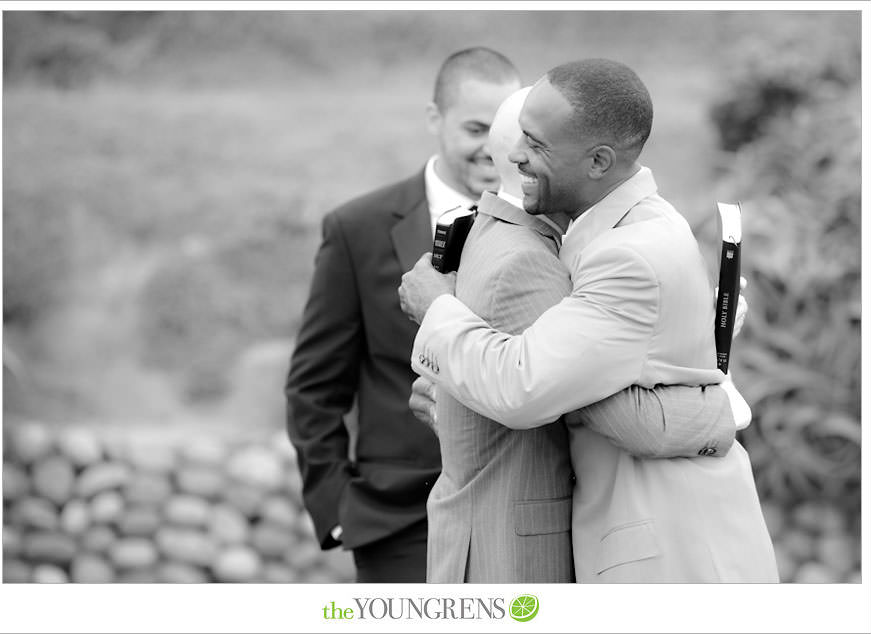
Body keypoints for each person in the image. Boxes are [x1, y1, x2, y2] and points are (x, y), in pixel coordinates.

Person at [399, 59, 779, 582]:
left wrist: (436, 310)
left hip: (670, 553)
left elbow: (525, 384)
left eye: (535, 144)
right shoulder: (631, 222)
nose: (512, 155)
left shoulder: (626, 254)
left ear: (599, 160)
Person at [285, 47, 520, 583]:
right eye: (475, 128)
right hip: (398, 521)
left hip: (522, 511)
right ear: (435, 118)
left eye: (504, 129)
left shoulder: (550, 225)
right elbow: (314, 386)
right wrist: (336, 509)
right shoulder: (357, 228)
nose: (492, 149)